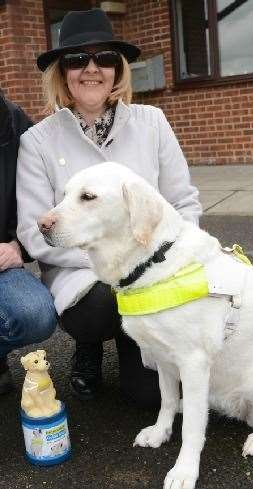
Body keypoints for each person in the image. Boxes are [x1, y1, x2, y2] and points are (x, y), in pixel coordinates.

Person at [16, 9, 202, 407]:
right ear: (61, 72)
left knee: (150, 397)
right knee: (100, 307)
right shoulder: (38, 141)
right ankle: (91, 343)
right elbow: (35, 233)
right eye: (77, 59)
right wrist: (116, 263)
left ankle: (140, 342)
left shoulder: (153, 122)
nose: (91, 69)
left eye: (104, 58)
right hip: (83, 277)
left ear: (118, 69)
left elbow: (183, 202)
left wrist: (164, 258)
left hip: (155, 267)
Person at [0, 94, 57, 395]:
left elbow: (40, 195)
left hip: (1, 258)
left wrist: (16, 245)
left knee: (34, 312)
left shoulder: (10, 120)